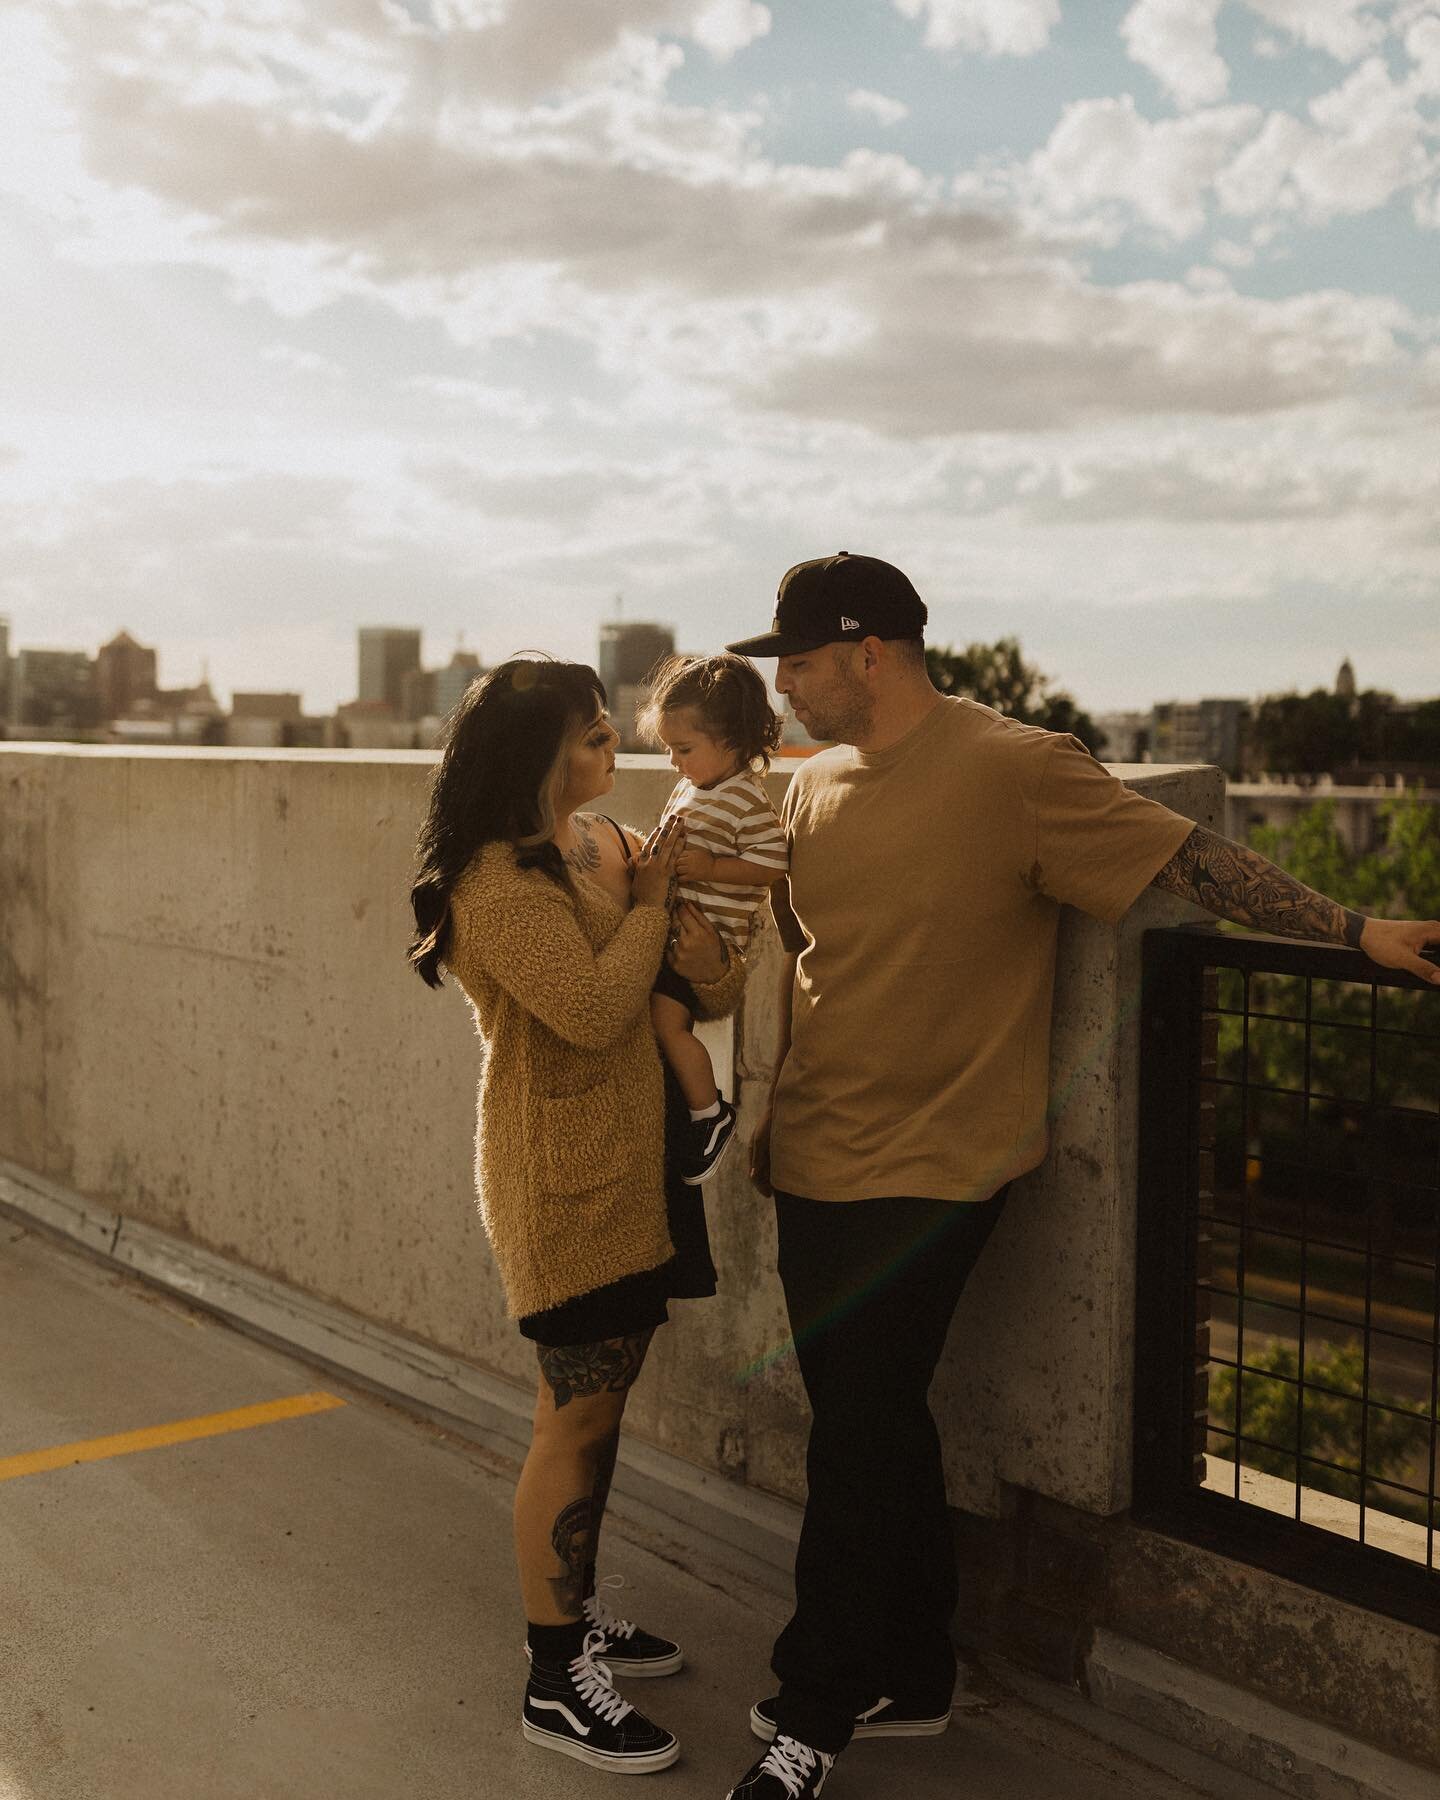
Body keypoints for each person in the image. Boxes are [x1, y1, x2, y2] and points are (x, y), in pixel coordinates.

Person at [717, 552, 1440, 1800]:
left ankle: (816, 1704)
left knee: (859, 1436)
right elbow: (809, 939)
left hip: (941, 1163)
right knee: (866, 1425)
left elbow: (1192, 860)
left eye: (797, 662)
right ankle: (916, 1673)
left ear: (868, 652)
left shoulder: (1020, 768)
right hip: (818, 1152)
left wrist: (1354, 931)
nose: (783, 687)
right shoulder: (812, 785)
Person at [407, 656, 746, 1777]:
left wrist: (677, 927)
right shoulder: (490, 886)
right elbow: (599, 1009)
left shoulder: (589, 847)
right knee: (575, 1420)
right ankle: (554, 1680)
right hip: (562, 1184)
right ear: (539, 759)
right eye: (598, 738)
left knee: (605, 1406)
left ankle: (576, 1611)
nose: (619, 754)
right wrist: (653, 906)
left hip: (630, 1169)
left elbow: (674, 978)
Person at [637, 653, 789, 1185]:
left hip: (709, 939)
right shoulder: (694, 787)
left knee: (666, 1023)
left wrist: (710, 866)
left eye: (684, 749)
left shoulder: (746, 797)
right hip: (676, 930)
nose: (674, 762)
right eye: (670, 750)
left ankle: (710, 1113)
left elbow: (773, 863)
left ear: (733, 740)